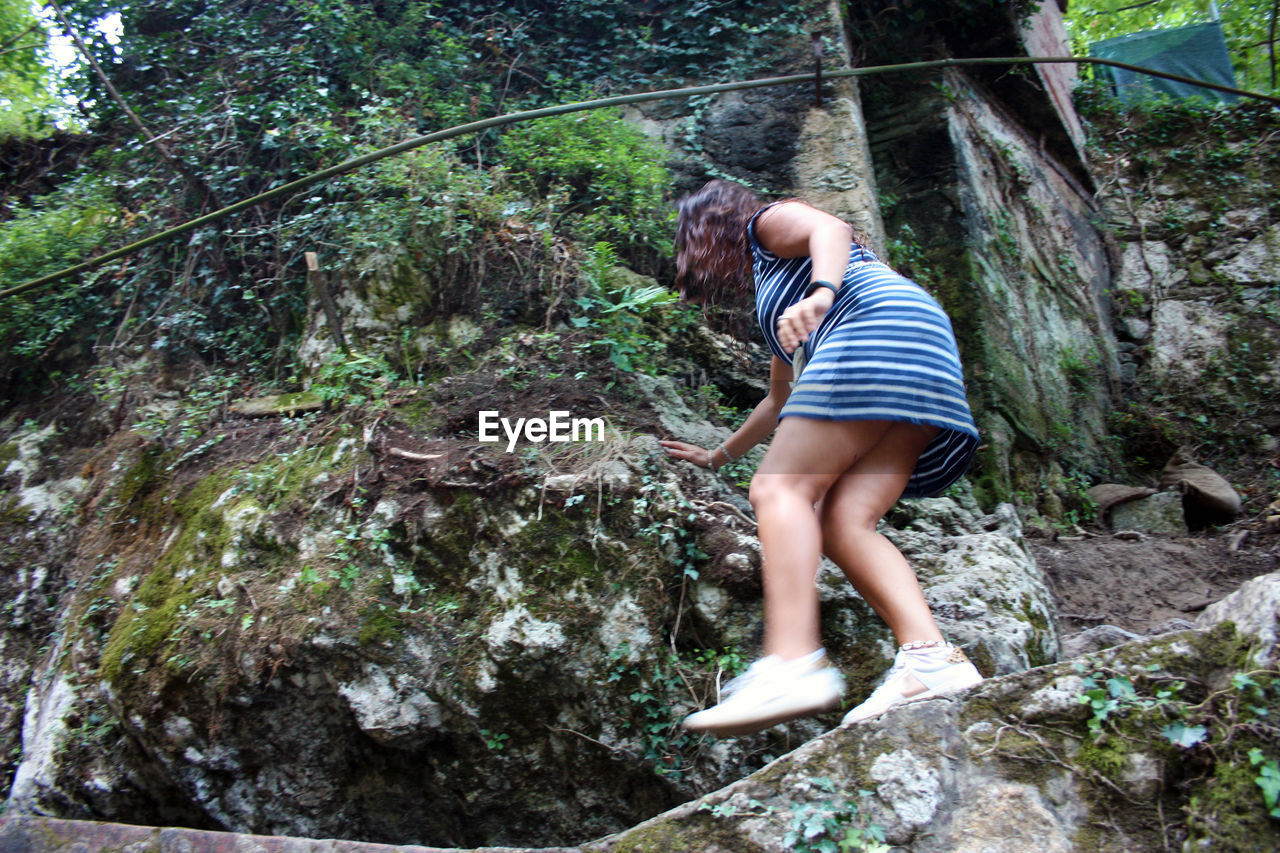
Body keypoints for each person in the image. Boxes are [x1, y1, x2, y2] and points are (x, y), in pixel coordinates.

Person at [659, 179, 983, 737]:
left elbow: (830, 227)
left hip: (875, 331)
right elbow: (779, 399)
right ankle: (930, 659)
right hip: (919, 345)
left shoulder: (765, 224)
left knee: (780, 489)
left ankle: (791, 662)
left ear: (708, 225)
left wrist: (822, 293)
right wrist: (718, 456)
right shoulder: (777, 293)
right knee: (843, 522)